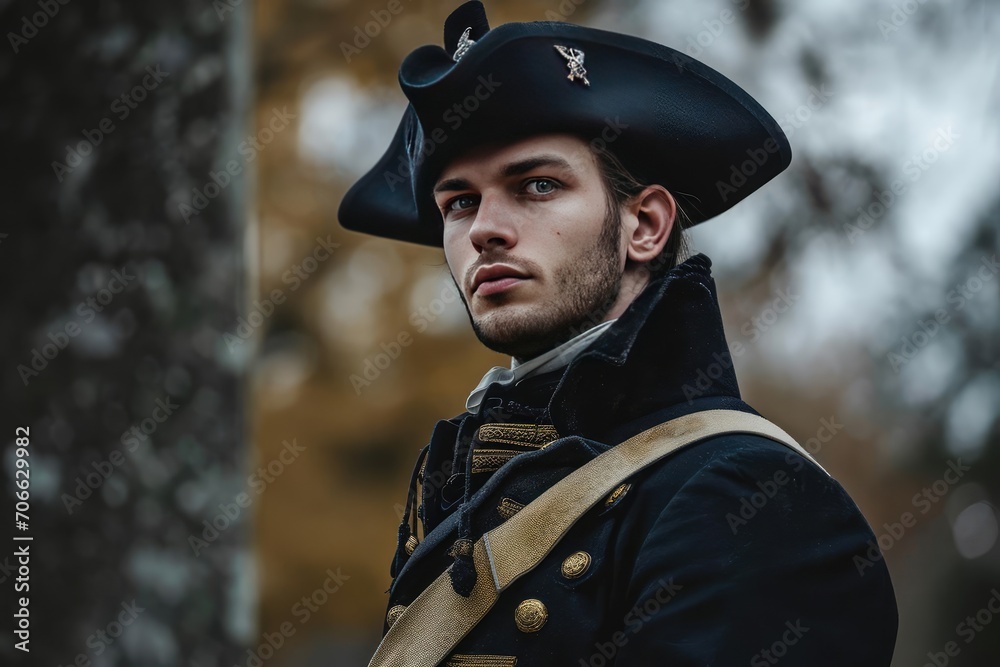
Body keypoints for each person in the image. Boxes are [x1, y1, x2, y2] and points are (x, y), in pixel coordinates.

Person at [338, 2, 898, 665]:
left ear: (645, 226)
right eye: (460, 202)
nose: (483, 228)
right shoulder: (462, 491)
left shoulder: (756, 499)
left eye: (537, 184)